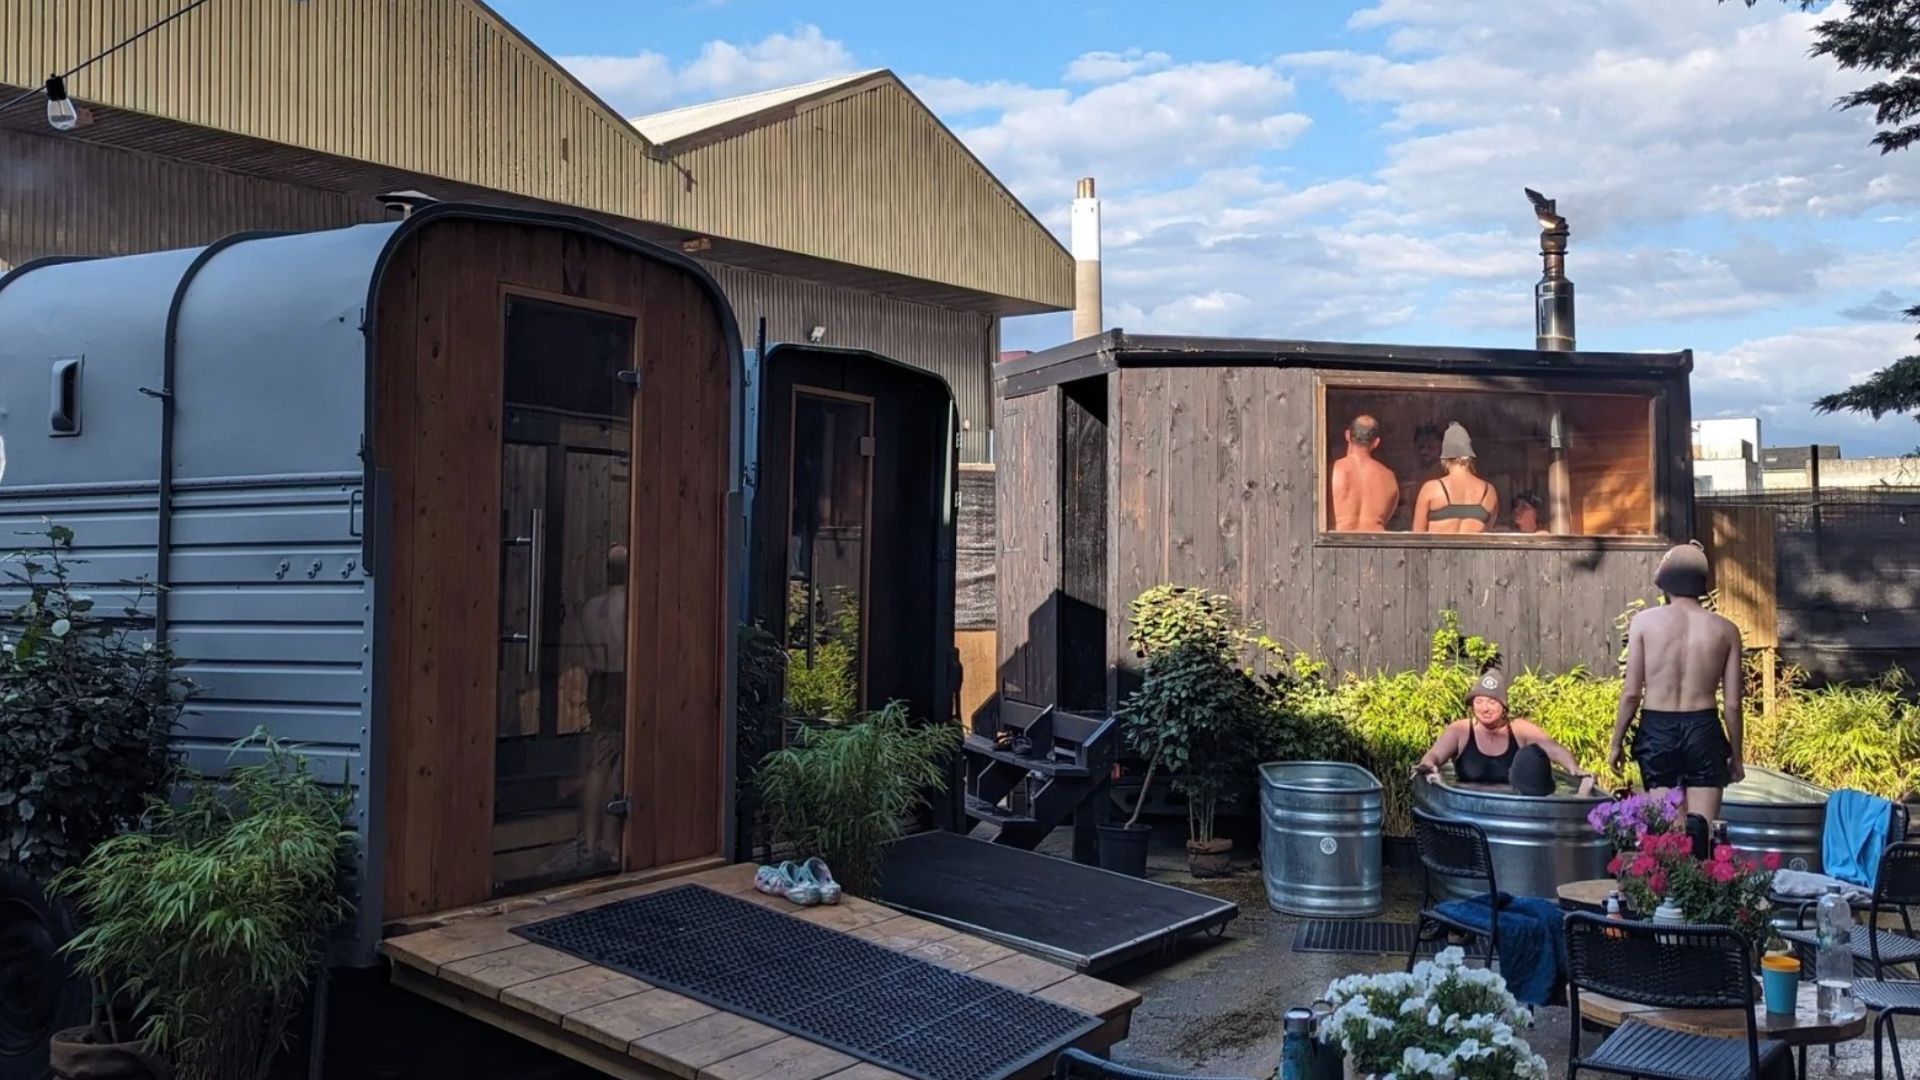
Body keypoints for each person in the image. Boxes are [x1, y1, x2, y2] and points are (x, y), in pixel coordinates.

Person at [1608, 541, 1745, 821]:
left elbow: (1631, 693)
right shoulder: (1726, 630)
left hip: (1658, 728)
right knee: (1701, 832)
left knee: (1669, 841)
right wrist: (1737, 755)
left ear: (1665, 582)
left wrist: (1616, 743)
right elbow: (1732, 705)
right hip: (1703, 728)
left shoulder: (1643, 623)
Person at [1413, 668, 1596, 796]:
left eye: (1492, 702)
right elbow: (1434, 755)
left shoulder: (1519, 730)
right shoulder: (1460, 730)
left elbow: (1554, 749)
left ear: (1503, 706)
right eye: (1479, 701)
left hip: (1510, 807)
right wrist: (1428, 765)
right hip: (1468, 808)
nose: (1485, 708)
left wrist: (1573, 768)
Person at [1412, 423, 1497, 534]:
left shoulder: (1431, 489)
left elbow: (1417, 538)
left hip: (1439, 551)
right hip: (1473, 551)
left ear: (1444, 458)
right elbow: (1488, 533)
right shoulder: (1489, 492)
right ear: (1470, 457)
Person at [1329, 414, 1400, 531]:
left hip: (1337, 544)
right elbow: (1388, 516)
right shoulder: (1388, 477)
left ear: (1347, 435)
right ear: (1376, 442)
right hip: (1376, 545)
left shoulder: (1331, 472)